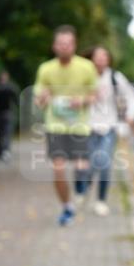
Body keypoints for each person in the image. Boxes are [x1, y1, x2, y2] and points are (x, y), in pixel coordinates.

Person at [33, 25, 98, 226]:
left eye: (68, 44)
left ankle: (81, 186)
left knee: (81, 167)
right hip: (56, 126)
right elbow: (38, 99)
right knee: (58, 170)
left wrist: (82, 101)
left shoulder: (86, 67)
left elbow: (95, 95)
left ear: (74, 45)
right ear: (54, 46)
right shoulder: (45, 69)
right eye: (60, 44)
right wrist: (43, 97)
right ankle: (67, 206)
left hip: (79, 126)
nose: (64, 47)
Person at [85, 46, 134, 216]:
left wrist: (129, 116)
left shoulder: (116, 78)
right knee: (89, 165)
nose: (101, 59)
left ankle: (101, 200)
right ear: (91, 58)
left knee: (104, 162)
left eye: (104, 56)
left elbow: (132, 98)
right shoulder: (84, 77)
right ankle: (83, 189)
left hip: (109, 126)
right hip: (87, 127)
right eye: (98, 56)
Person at [0, 71, 19, 161]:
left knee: (5, 133)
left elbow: (15, 100)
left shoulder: (4, 88)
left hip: (4, 113)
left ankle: (4, 151)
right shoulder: (0, 88)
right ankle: (2, 152)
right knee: (2, 133)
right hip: (0, 113)